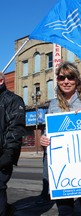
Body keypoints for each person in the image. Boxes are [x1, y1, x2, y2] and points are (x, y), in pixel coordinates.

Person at [40, 62, 81, 216]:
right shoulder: (53, 105)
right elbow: (47, 131)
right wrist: (44, 139)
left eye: (70, 77)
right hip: (62, 170)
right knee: (65, 211)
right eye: (62, 77)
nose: (66, 81)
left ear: (77, 79)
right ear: (57, 80)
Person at [0, 72, 26, 215]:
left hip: (3, 154)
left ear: (1, 81)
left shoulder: (12, 100)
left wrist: (8, 153)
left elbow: (16, 127)